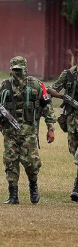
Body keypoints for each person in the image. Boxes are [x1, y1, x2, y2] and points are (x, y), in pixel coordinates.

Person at [0, 56, 56, 205]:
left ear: (26, 69)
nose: (17, 73)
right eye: (14, 70)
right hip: (9, 132)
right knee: (10, 161)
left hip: (29, 132)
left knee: (31, 162)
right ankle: (13, 195)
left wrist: (50, 128)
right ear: (10, 70)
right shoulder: (4, 86)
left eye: (20, 70)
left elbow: (47, 107)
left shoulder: (36, 85)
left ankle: (33, 187)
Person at [47, 54, 78, 202]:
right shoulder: (68, 75)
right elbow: (50, 89)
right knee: (74, 152)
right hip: (72, 122)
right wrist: (63, 97)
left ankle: (76, 187)